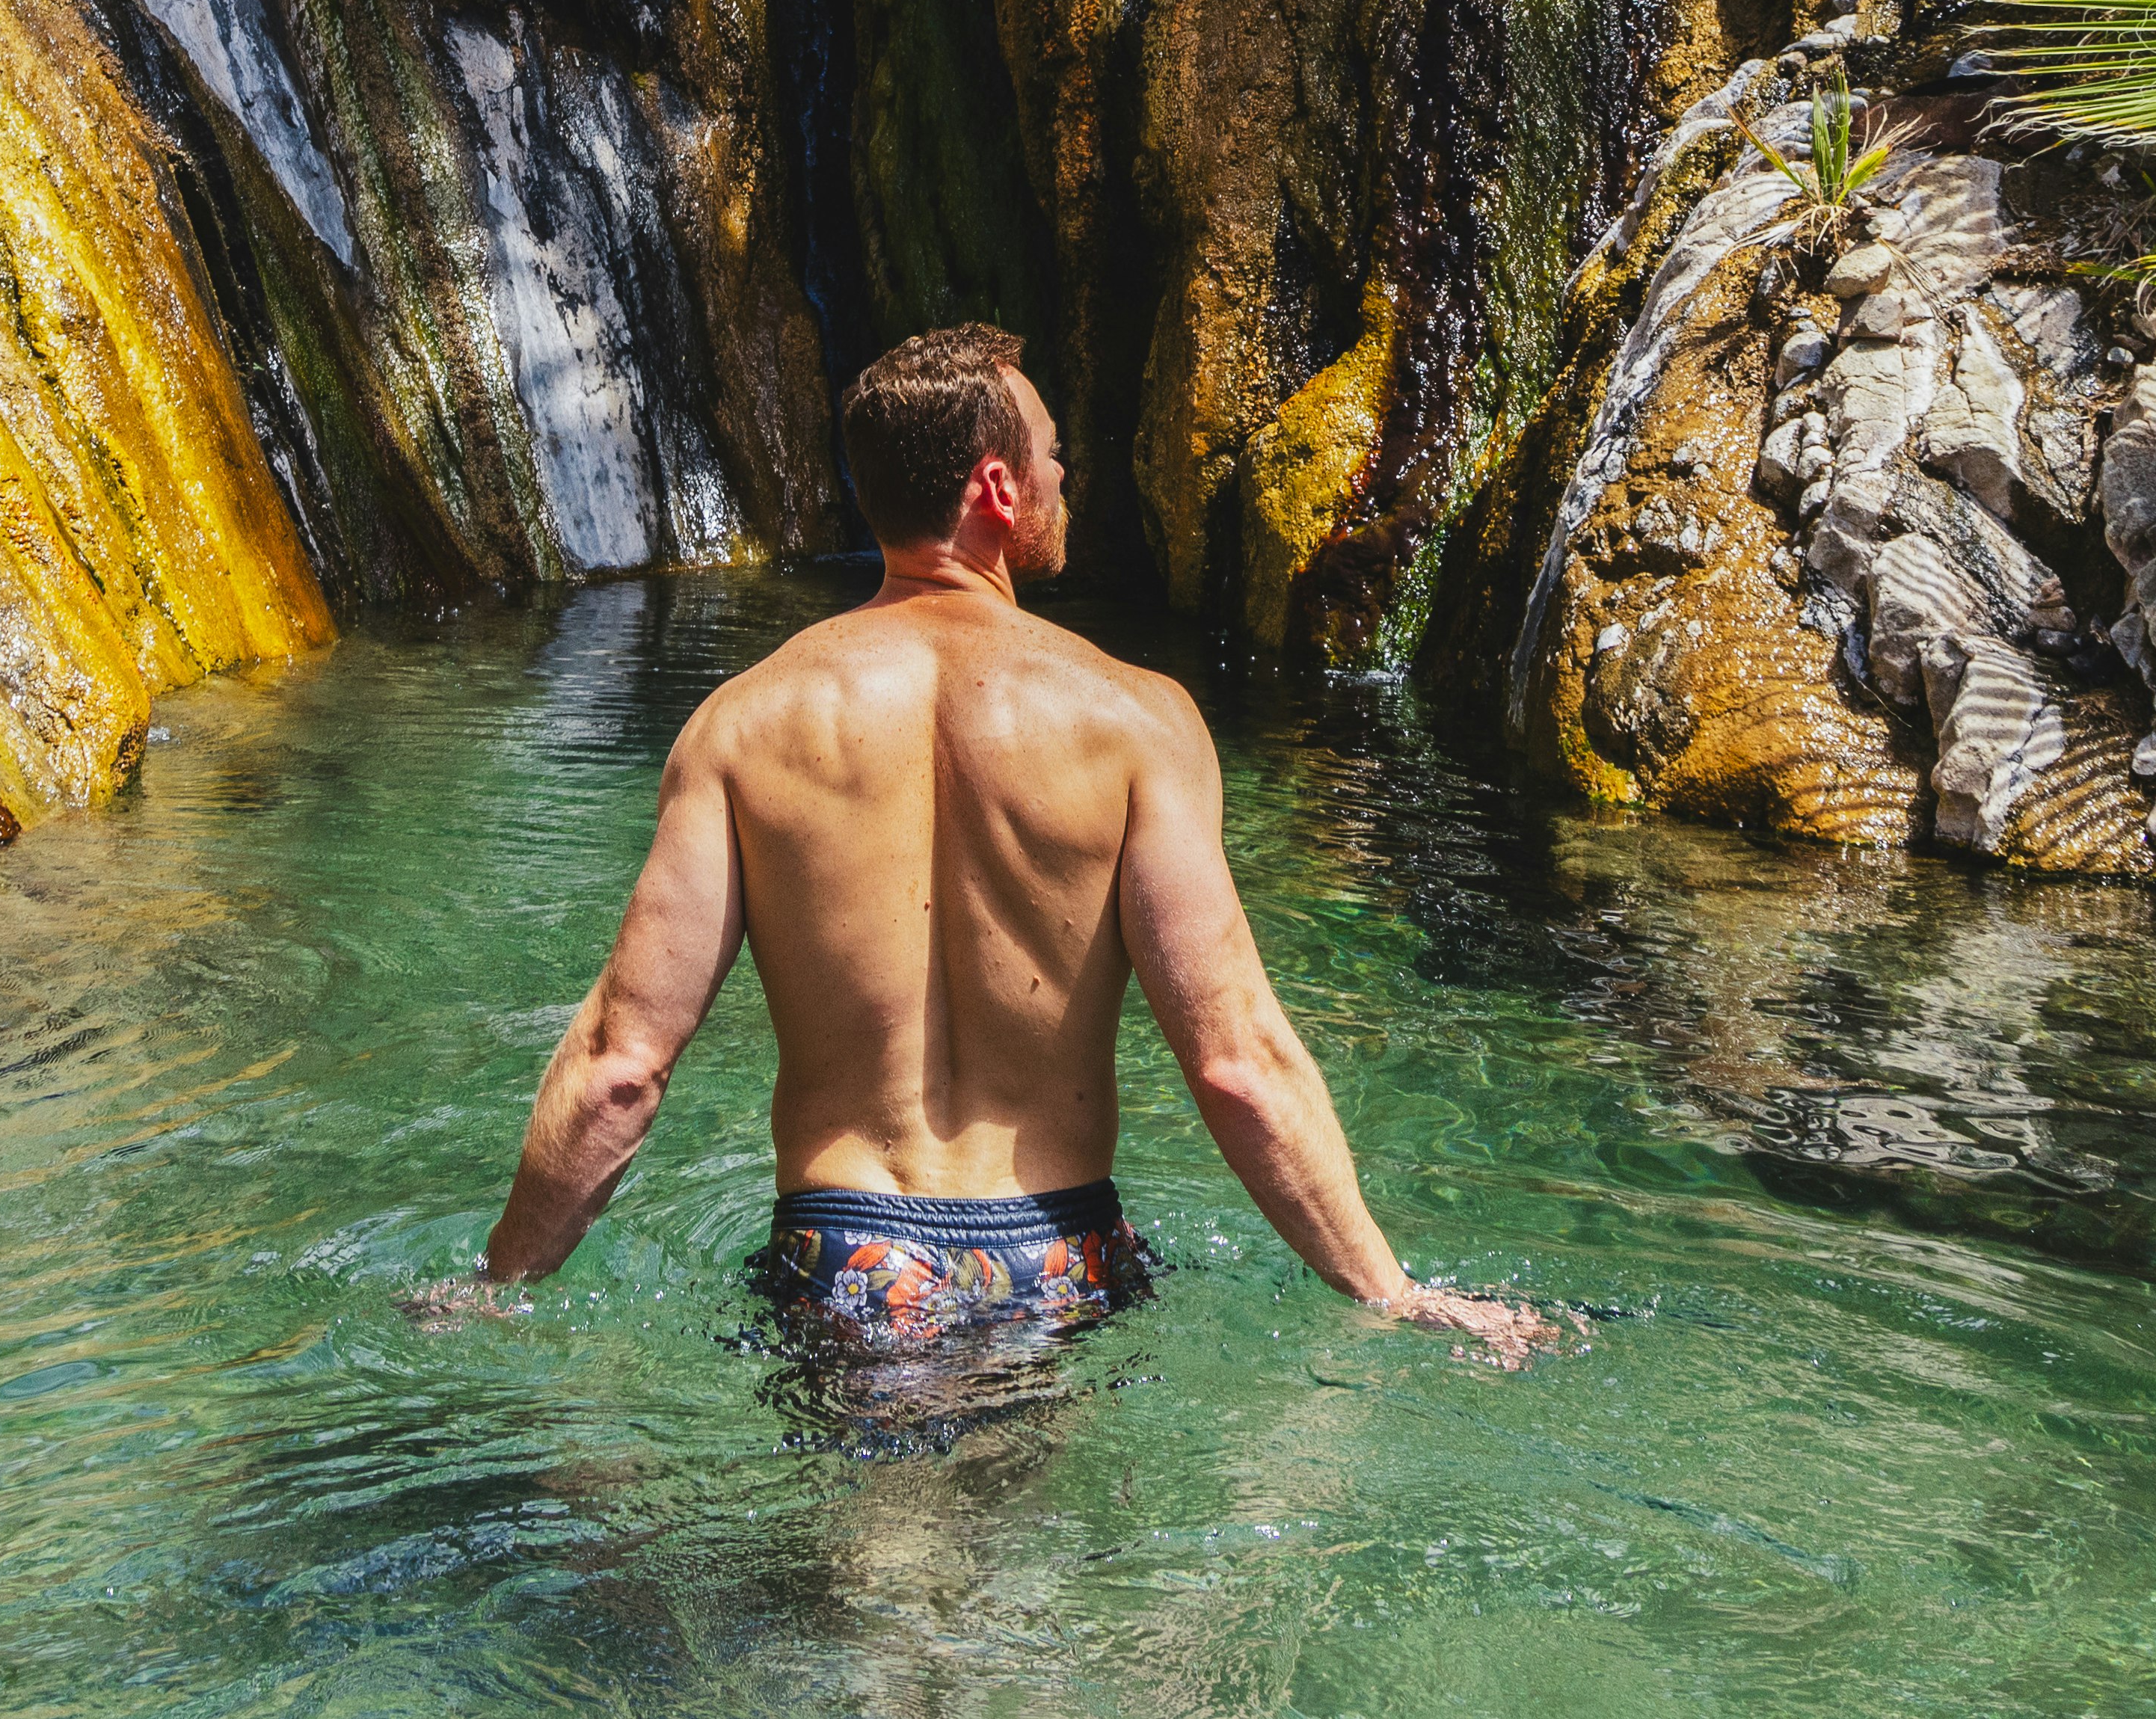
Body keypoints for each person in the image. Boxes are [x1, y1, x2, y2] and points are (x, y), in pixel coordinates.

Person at [429, 324, 1556, 1365]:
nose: (1067, 476)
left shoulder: (744, 724)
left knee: (868, 1572)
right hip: (1060, 1251)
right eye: (1053, 455)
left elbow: (622, 1066)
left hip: (847, 1257)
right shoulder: (1136, 718)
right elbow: (1236, 1063)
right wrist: (1391, 1290)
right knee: (1040, 1581)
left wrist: (494, 1281)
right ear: (996, 486)